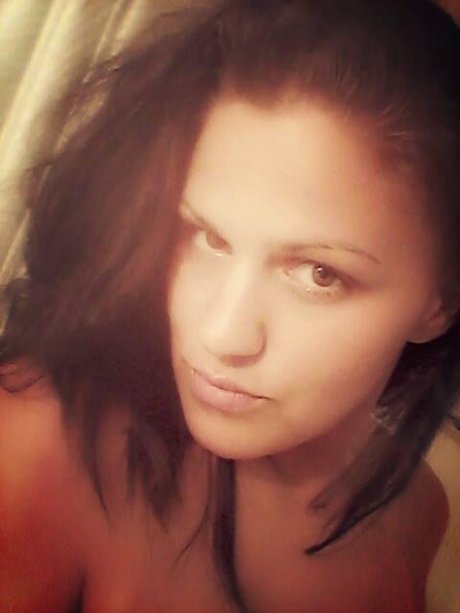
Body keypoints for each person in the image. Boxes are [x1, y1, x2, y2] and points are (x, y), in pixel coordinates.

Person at [0, 0, 459, 610]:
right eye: (207, 238)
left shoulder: (418, 512)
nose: (220, 334)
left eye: (319, 274)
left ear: (441, 302)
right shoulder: (39, 450)